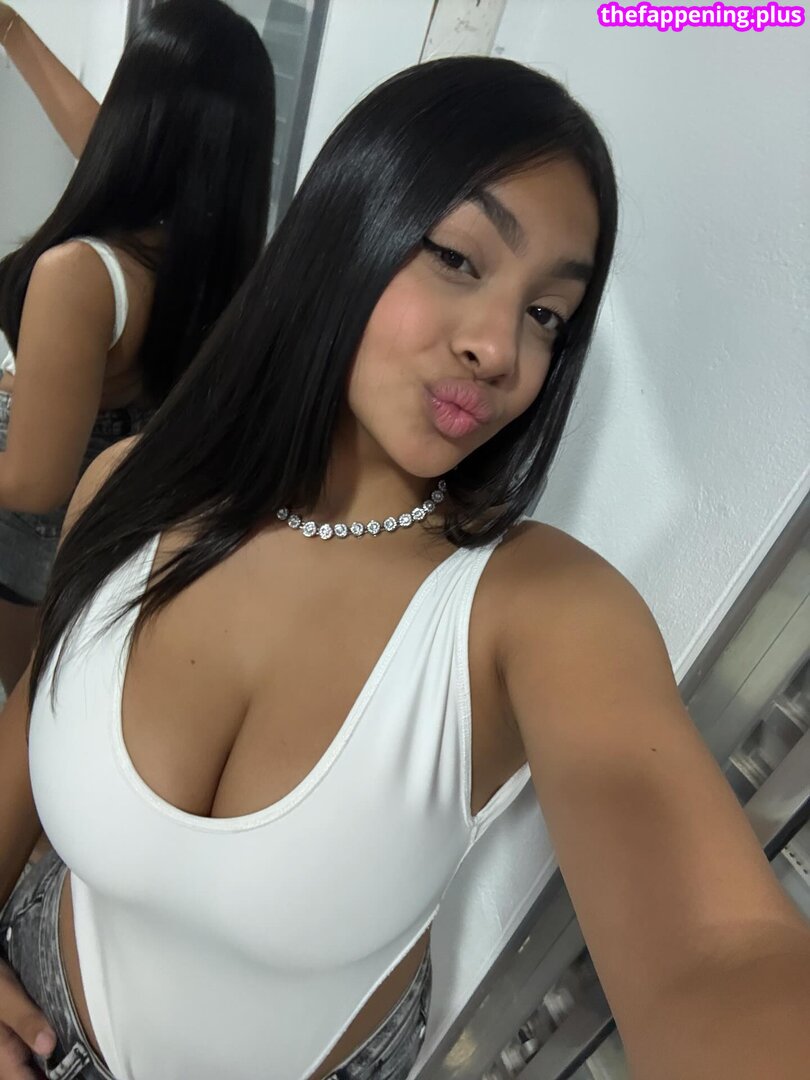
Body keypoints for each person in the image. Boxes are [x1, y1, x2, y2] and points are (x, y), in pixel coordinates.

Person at [1, 53, 809, 1080]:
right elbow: (26, 731)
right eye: (460, 258)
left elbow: (719, 954)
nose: (499, 348)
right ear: (345, 230)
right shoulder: (126, 489)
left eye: (547, 316)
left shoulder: (537, 611)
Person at [0, 0, 275, 691]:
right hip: (108, 520)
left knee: (22, 706)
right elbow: (99, 141)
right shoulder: (223, 260)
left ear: (138, 116)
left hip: (26, 533)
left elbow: (34, 480)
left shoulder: (81, 274)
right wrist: (11, 29)